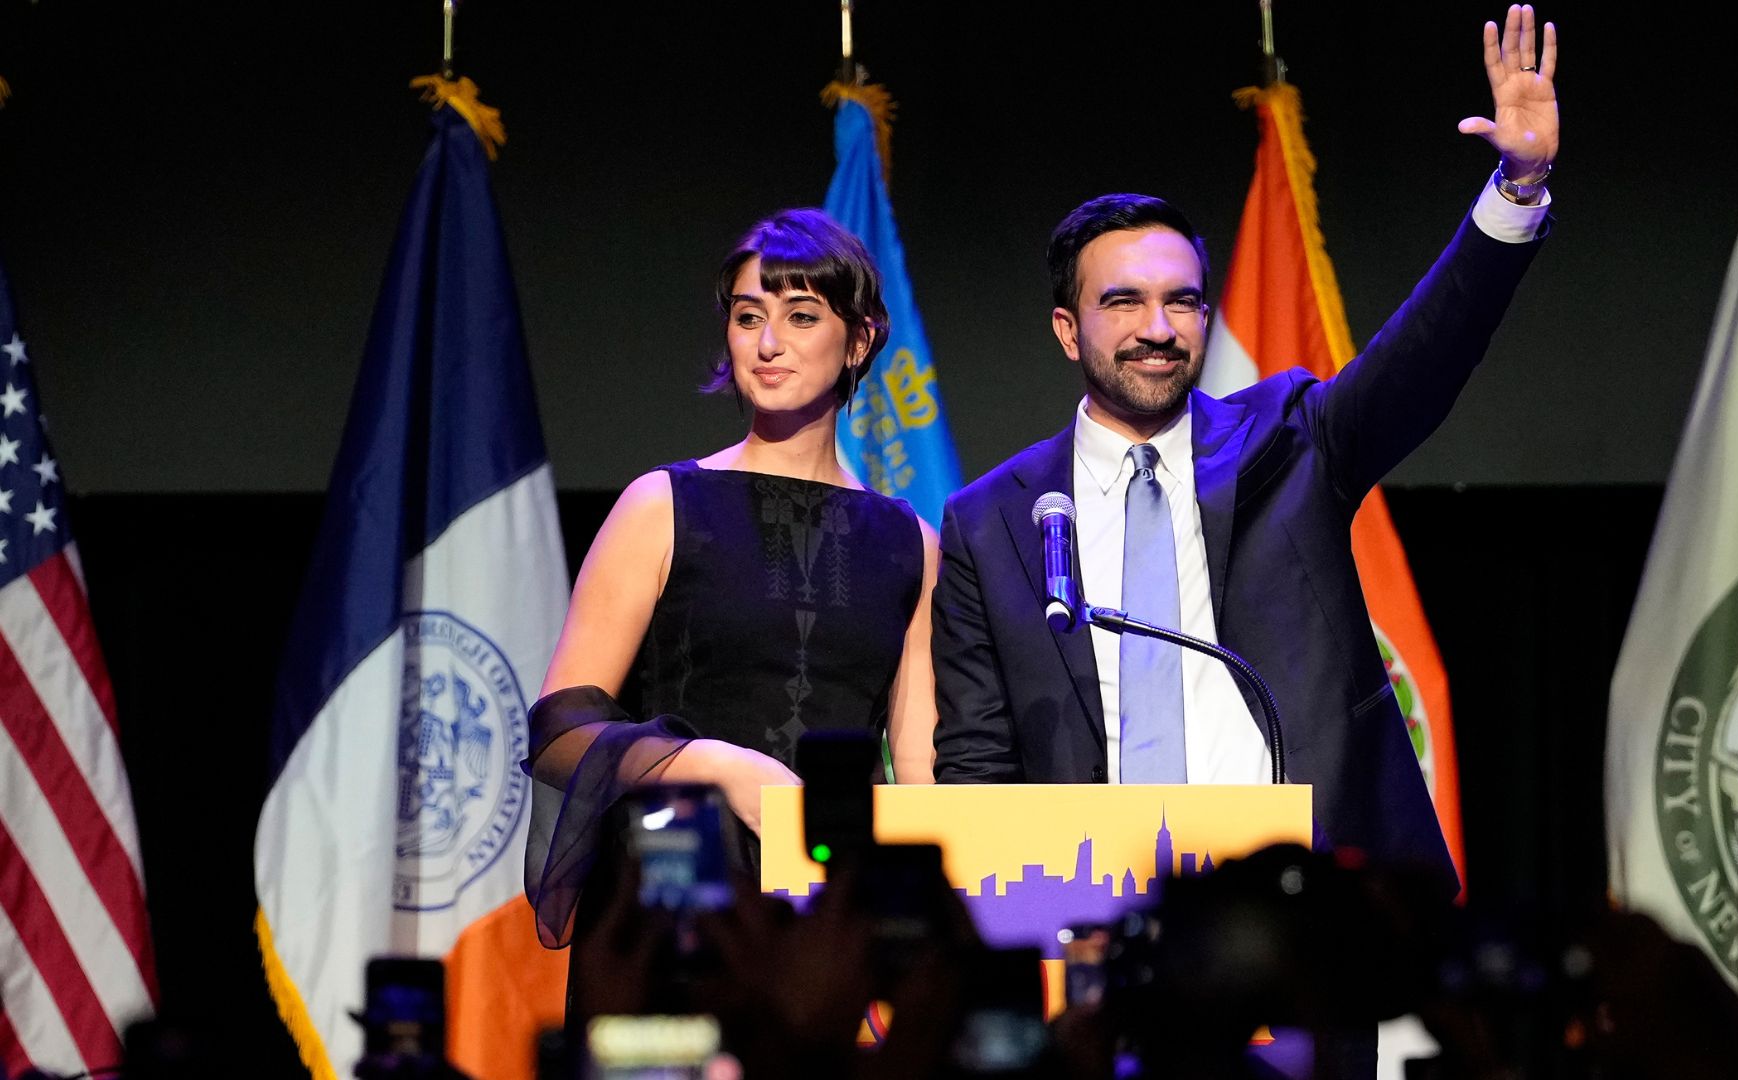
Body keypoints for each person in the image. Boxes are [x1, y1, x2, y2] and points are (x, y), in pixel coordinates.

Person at [931, 5, 1559, 891]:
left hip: (1304, 909)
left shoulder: (1291, 441)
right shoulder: (992, 520)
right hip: (1094, 919)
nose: (1160, 329)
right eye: (1125, 303)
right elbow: (977, 763)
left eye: (1182, 301)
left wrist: (1517, 190)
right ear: (1068, 331)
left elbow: (1425, 356)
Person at [522, 208, 940, 950]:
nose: (769, 344)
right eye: (749, 318)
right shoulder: (662, 505)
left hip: (830, 912)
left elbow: (918, 770)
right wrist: (716, 765)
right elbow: (561, 730)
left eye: (802, 316)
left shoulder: (913, 542)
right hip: (675, 898)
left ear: (862, 340)